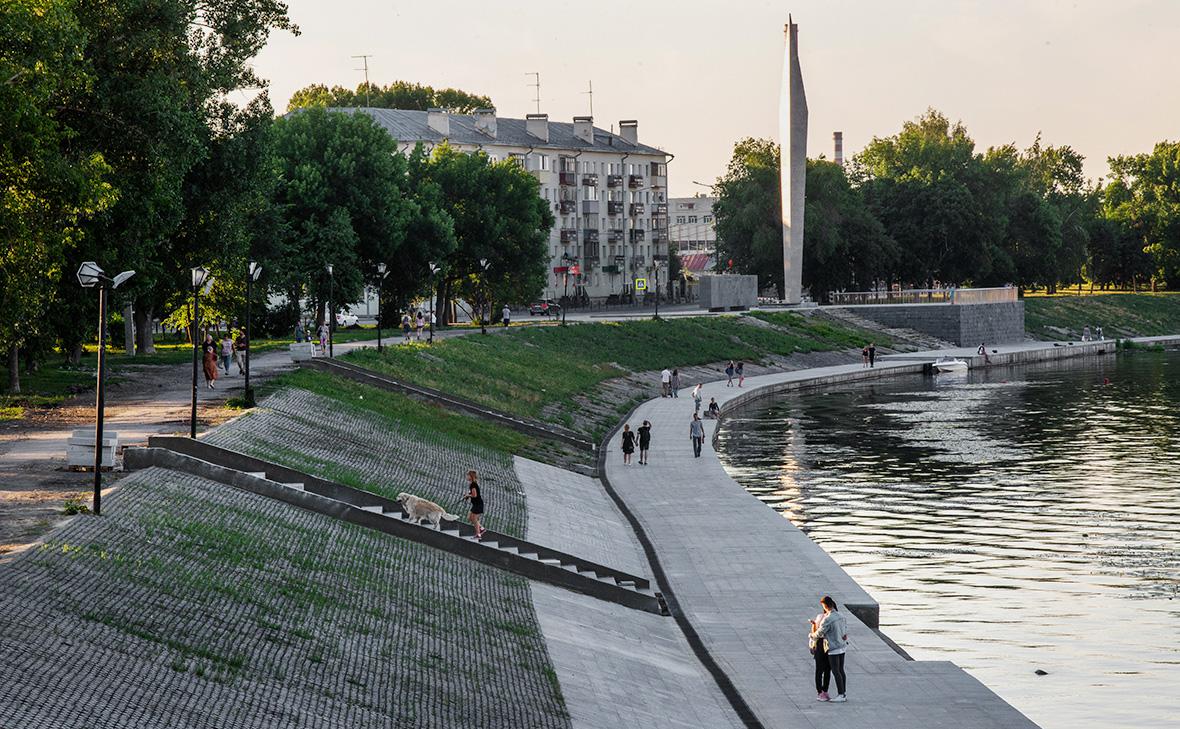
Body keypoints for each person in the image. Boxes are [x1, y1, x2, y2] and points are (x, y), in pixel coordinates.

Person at [813, 596, 849, 703]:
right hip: (842, 646)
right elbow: (845, 629)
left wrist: (811, 635)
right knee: (841, 670)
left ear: (825, 606)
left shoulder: (827, 619)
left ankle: (840, 694)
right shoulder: (841, 615)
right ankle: (843, 693)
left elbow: (820, 633)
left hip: (833, 647)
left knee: (835, 671)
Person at [810, 605, 831, 702]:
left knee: (824, 669)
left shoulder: (824, 617)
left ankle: (823, 691)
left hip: (824, 644)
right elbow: (815, 632)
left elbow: (814, 631)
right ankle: (821, 691)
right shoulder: (823, 617)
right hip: (823, 644)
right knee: (823, 669)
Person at [462, 470, 486, 541]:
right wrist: (467, 495)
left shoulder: (473, 485)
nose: (467, 476)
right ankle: (481, 528)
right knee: (470, 518)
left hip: (478, 504)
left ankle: (478, 534)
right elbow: (472, 494)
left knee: (474, 519)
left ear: (471, 476)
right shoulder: (473, 484)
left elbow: (474, 495)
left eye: (468, 475)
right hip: (476, 504)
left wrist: (468, 495)